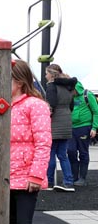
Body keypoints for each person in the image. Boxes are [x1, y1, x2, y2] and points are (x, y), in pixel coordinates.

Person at [6, 59, 52, 224]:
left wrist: (36, 173)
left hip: (26, 174)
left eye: (7, 78)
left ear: (20, 82)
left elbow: (44, 142)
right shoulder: (2, 104)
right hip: (5, 174)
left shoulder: (36, 105)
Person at [43, 64, 76, 192]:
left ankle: (49, 181)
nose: (45, 76)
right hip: (67, 120)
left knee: (50, 154)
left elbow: (51, 105)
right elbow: (71, 105)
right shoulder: (69, 86)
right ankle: (68, 181)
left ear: (51, 74)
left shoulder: (52, 86)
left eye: (47, 73)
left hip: (55, 121)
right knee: (63, 155)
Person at [68, 81, 98, 186]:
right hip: (71, 128)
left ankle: (82, 178)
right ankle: (74, 176)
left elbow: (96, 111)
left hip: (84, 127)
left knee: (83, 152)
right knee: (70, 151)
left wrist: (94, 127)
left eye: (71, 90)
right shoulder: (70, 97)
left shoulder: (87, 95)